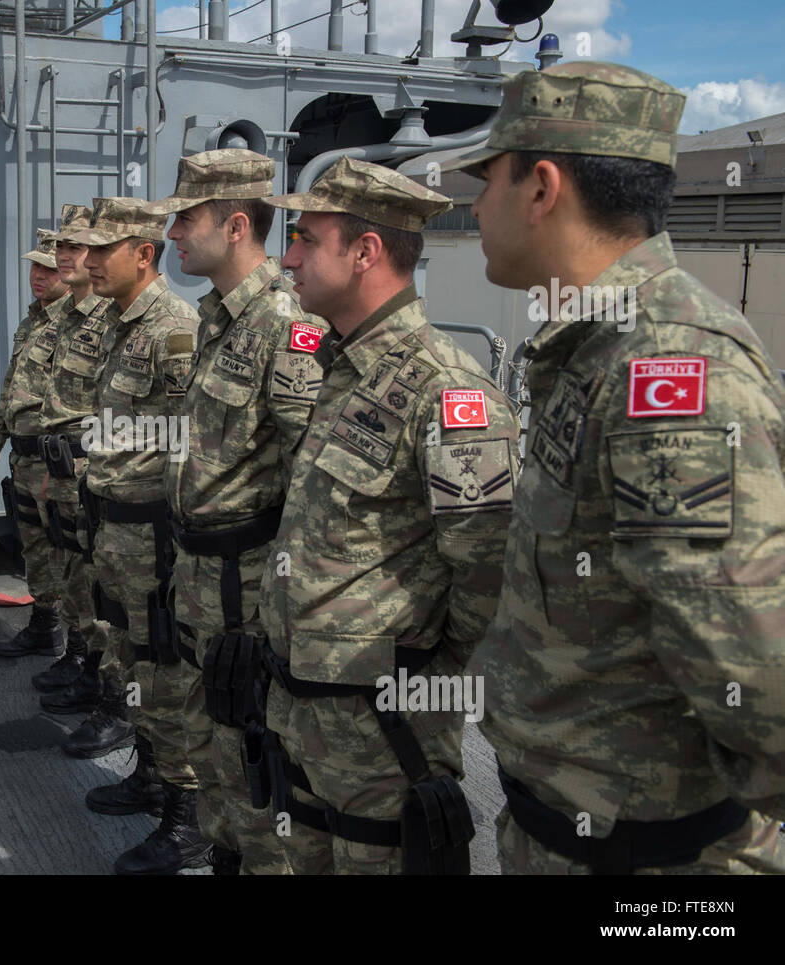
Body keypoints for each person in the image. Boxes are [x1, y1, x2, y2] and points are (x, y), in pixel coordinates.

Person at [445, 61, 785, 874]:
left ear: (542, 187)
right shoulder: (594, 347)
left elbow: (752, 666)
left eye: (487, 179)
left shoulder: (666, 365)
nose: (476, 203)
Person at [257, 157, 521, 873]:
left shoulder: (446, 390)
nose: (289, 257)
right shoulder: (342, 367)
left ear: (365, 252)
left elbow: (489, 571)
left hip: (383, 729)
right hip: (305, 710)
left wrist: (422, 680)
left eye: (307, 239)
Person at [143, 148, 327, 874]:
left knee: (255, 759)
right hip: (200, 578)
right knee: (211, 744)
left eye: (185, 218)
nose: (173, 235)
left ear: (237, 223)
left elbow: (312, 486)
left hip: (249, 594)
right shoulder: (216, 320)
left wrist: (279, 616)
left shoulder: (287, 326)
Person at [67, 197, 208, 873]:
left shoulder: (176, 327)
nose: (88, 262)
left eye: (102, 250)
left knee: (166, 674)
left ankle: (189, 817)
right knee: (130, 662)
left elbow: (192, 447)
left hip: (152, 539)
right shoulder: (123, 324)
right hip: (114, 531)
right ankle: (151, 775)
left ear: (143, 254)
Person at [16, 203, 114, 704]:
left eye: (79, 248)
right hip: (56, 468)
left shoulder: (118, 322)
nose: (63, 259)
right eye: (63, 249)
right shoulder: (64, 322)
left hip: (91, 474)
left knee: (95, 580)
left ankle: (98, 678)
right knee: (66, 567)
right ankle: (82, 661)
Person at [0, 230, 71, 658]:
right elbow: (12, 387)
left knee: (67, 551)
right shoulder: (33, 320)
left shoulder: (77, 324)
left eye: (49, 269)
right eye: (35, 266)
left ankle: (80, 650)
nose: (38, 275)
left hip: (55, 460)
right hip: (24, 456)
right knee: (34, 547)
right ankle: (44, 625)